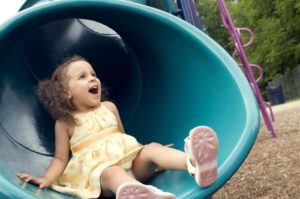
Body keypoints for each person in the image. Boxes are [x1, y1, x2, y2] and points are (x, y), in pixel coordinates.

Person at [17, 55, 218, 199]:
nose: (92, 78)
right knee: (112, 173)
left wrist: (152, 153)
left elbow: (123, 138)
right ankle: (140, 194)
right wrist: (46, 179)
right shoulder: (65, 122)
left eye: (93, 74)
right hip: (99, 178)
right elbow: (60, 158)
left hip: (130, 164)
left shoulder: (109, 107)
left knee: (152, 148)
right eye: (83, 77)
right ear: (66, 92)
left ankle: (194, 162)